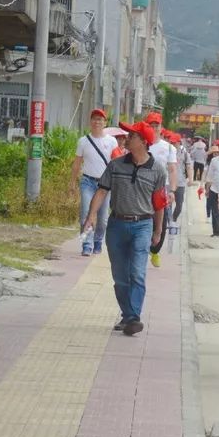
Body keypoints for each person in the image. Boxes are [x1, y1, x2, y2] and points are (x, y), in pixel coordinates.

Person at [82, 121, 168, 336]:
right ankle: (128, 315)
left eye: (131, 135)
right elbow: (101, 192)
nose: (126, 138)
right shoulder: (116, 165)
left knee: (137, 272)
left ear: (143, 141)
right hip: (117, 225)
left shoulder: (158, 169)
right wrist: (91, 216)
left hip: (143, 225)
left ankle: (133, 317)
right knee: (120, 276)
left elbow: (159, 204)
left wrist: (158, 231)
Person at [71, 108, 117, 256]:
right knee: (86, 213)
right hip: (87, 183)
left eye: (100, 119)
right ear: (90, 122)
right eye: (94, 119)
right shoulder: (83, 141)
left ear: (105, 123)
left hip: (104, 185)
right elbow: (77, 163)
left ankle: (98, 241)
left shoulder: (111, 141)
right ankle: (86, 244)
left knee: (103, 218)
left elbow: (116, 163)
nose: (97, 122)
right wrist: (72, 182)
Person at [144, 112, 177, 268]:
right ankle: (142, 250)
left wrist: (172, 190)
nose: (154, 128)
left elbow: (172, 170)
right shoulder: (142, 144)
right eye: (151, 125)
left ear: (161, 127)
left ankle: (155, 250)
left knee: (161, 223)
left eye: (156, 125)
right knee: (143, 219)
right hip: (142, 189)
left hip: (161, 190)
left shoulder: (168, 148)